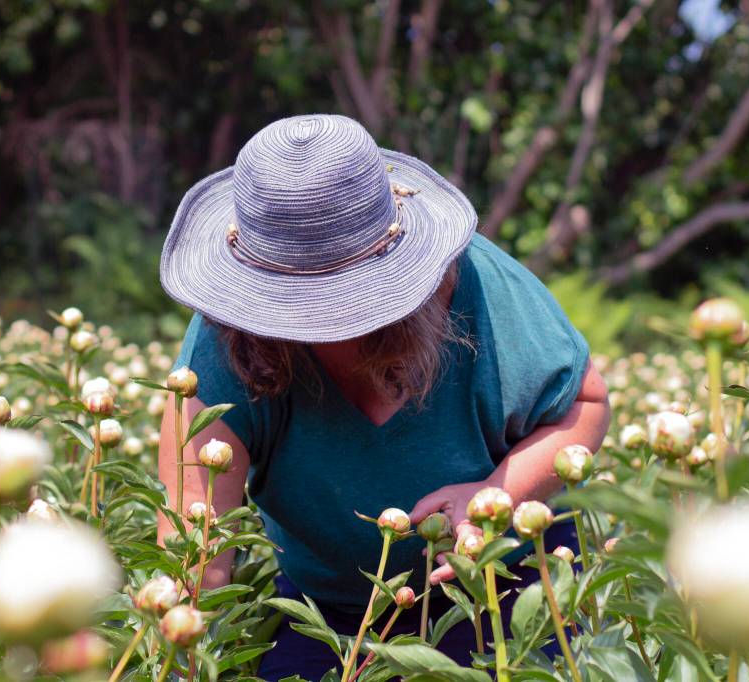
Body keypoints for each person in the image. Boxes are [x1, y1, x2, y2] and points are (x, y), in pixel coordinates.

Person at [157, 114, 610, 679]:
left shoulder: (491, 295)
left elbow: (586, 404)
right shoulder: (224, 345)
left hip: (508, 581)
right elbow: (196, 551)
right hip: (329, 609)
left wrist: (499, 494)